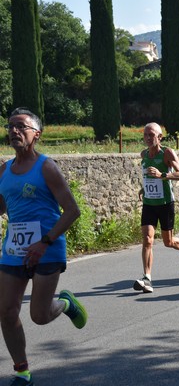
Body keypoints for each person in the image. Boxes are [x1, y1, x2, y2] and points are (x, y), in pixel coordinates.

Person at [0, 108, 87, 386]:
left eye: (21, 127)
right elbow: (2, 207)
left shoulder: (46, 167)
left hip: (48, 247)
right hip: (14, 249)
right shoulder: (3, 170)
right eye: (10, 126)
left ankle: (65, 302)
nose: (14, 131)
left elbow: (72, 211)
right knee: (7, 312)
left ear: (36, 134)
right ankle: (22, 372)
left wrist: (44, 241)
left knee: (39, 315)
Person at [135, 122, 179, 293]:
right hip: (149, 204)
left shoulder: (167, 153)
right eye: (145, 134)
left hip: (166, 204)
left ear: (160, 137)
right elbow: (148, 176)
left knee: (168, 242)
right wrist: (144, 187)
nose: (147, 138)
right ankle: (147, 278)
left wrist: (162, 175)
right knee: (147, 240)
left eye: (151, 135)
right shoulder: (144, 154)